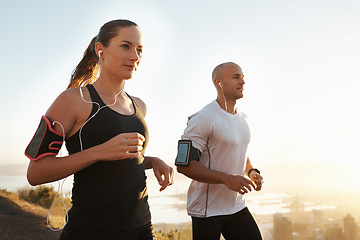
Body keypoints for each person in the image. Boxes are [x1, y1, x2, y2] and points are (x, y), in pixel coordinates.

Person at [25, 19, 174, 240]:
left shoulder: (139, 105)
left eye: (139, 49)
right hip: (90, 231)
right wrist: (99, 151)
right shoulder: (73, 100)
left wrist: (152, 161)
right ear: (100, 50)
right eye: (125, 46)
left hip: (141, 229)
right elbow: (35, 173)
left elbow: (122, 159)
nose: (135, 56)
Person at [177, 62, 264, 240]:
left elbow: (239, 152)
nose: (243, 81)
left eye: (243, 77)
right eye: (236, 77)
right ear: (219, 83)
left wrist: (251, 171)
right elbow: (184, 166)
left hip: (236, 206)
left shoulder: (244, 118)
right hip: (207, 211)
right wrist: (225, 179)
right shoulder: (202, 119)